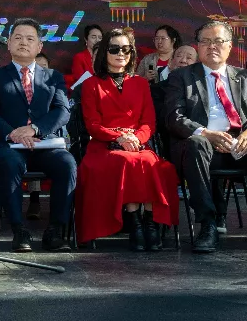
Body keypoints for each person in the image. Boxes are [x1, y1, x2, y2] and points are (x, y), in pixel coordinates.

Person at [164, 20, 247, 253]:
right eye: (205, 41)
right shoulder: (182, 77)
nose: (212, 46)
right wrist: (206, 133)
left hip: (241, 145)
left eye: (218, 41)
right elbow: (173, 117)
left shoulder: (246, 77)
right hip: (202, 148)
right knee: (197, 143)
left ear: (230, 47)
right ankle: (208, 224)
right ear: (198, 47)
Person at [76, 29, 179, 250]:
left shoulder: (141, 83)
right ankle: (134, 223)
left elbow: (149, 123)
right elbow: (92, 124)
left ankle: (150, 223)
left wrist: (135, 139)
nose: (120, 53)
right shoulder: (91, 84)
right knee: (127, 161)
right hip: (104, 146)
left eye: (126, 49)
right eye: (114, 49)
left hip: (138, 143)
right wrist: (120, 137)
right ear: (104, 53)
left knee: (152, 163)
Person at [0, 18, 77, 252]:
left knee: (67, 164)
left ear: (39, 47)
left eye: (30, 39)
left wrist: (35, 129)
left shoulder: (53, 77)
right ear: (8, 44)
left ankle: (55, 231)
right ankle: (20, 231)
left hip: (45, 144)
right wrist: (12, 133)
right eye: (17, 38)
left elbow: (62, 111)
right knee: (9, 164)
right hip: (10, 146)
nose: (23, 43)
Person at [69, 24, 104, 89]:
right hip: (86, 91)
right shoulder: (79, 57)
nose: (97, 40)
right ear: (86, 39)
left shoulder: (106, 57)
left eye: (100, 38)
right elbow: (78, 80)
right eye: (93, 37)